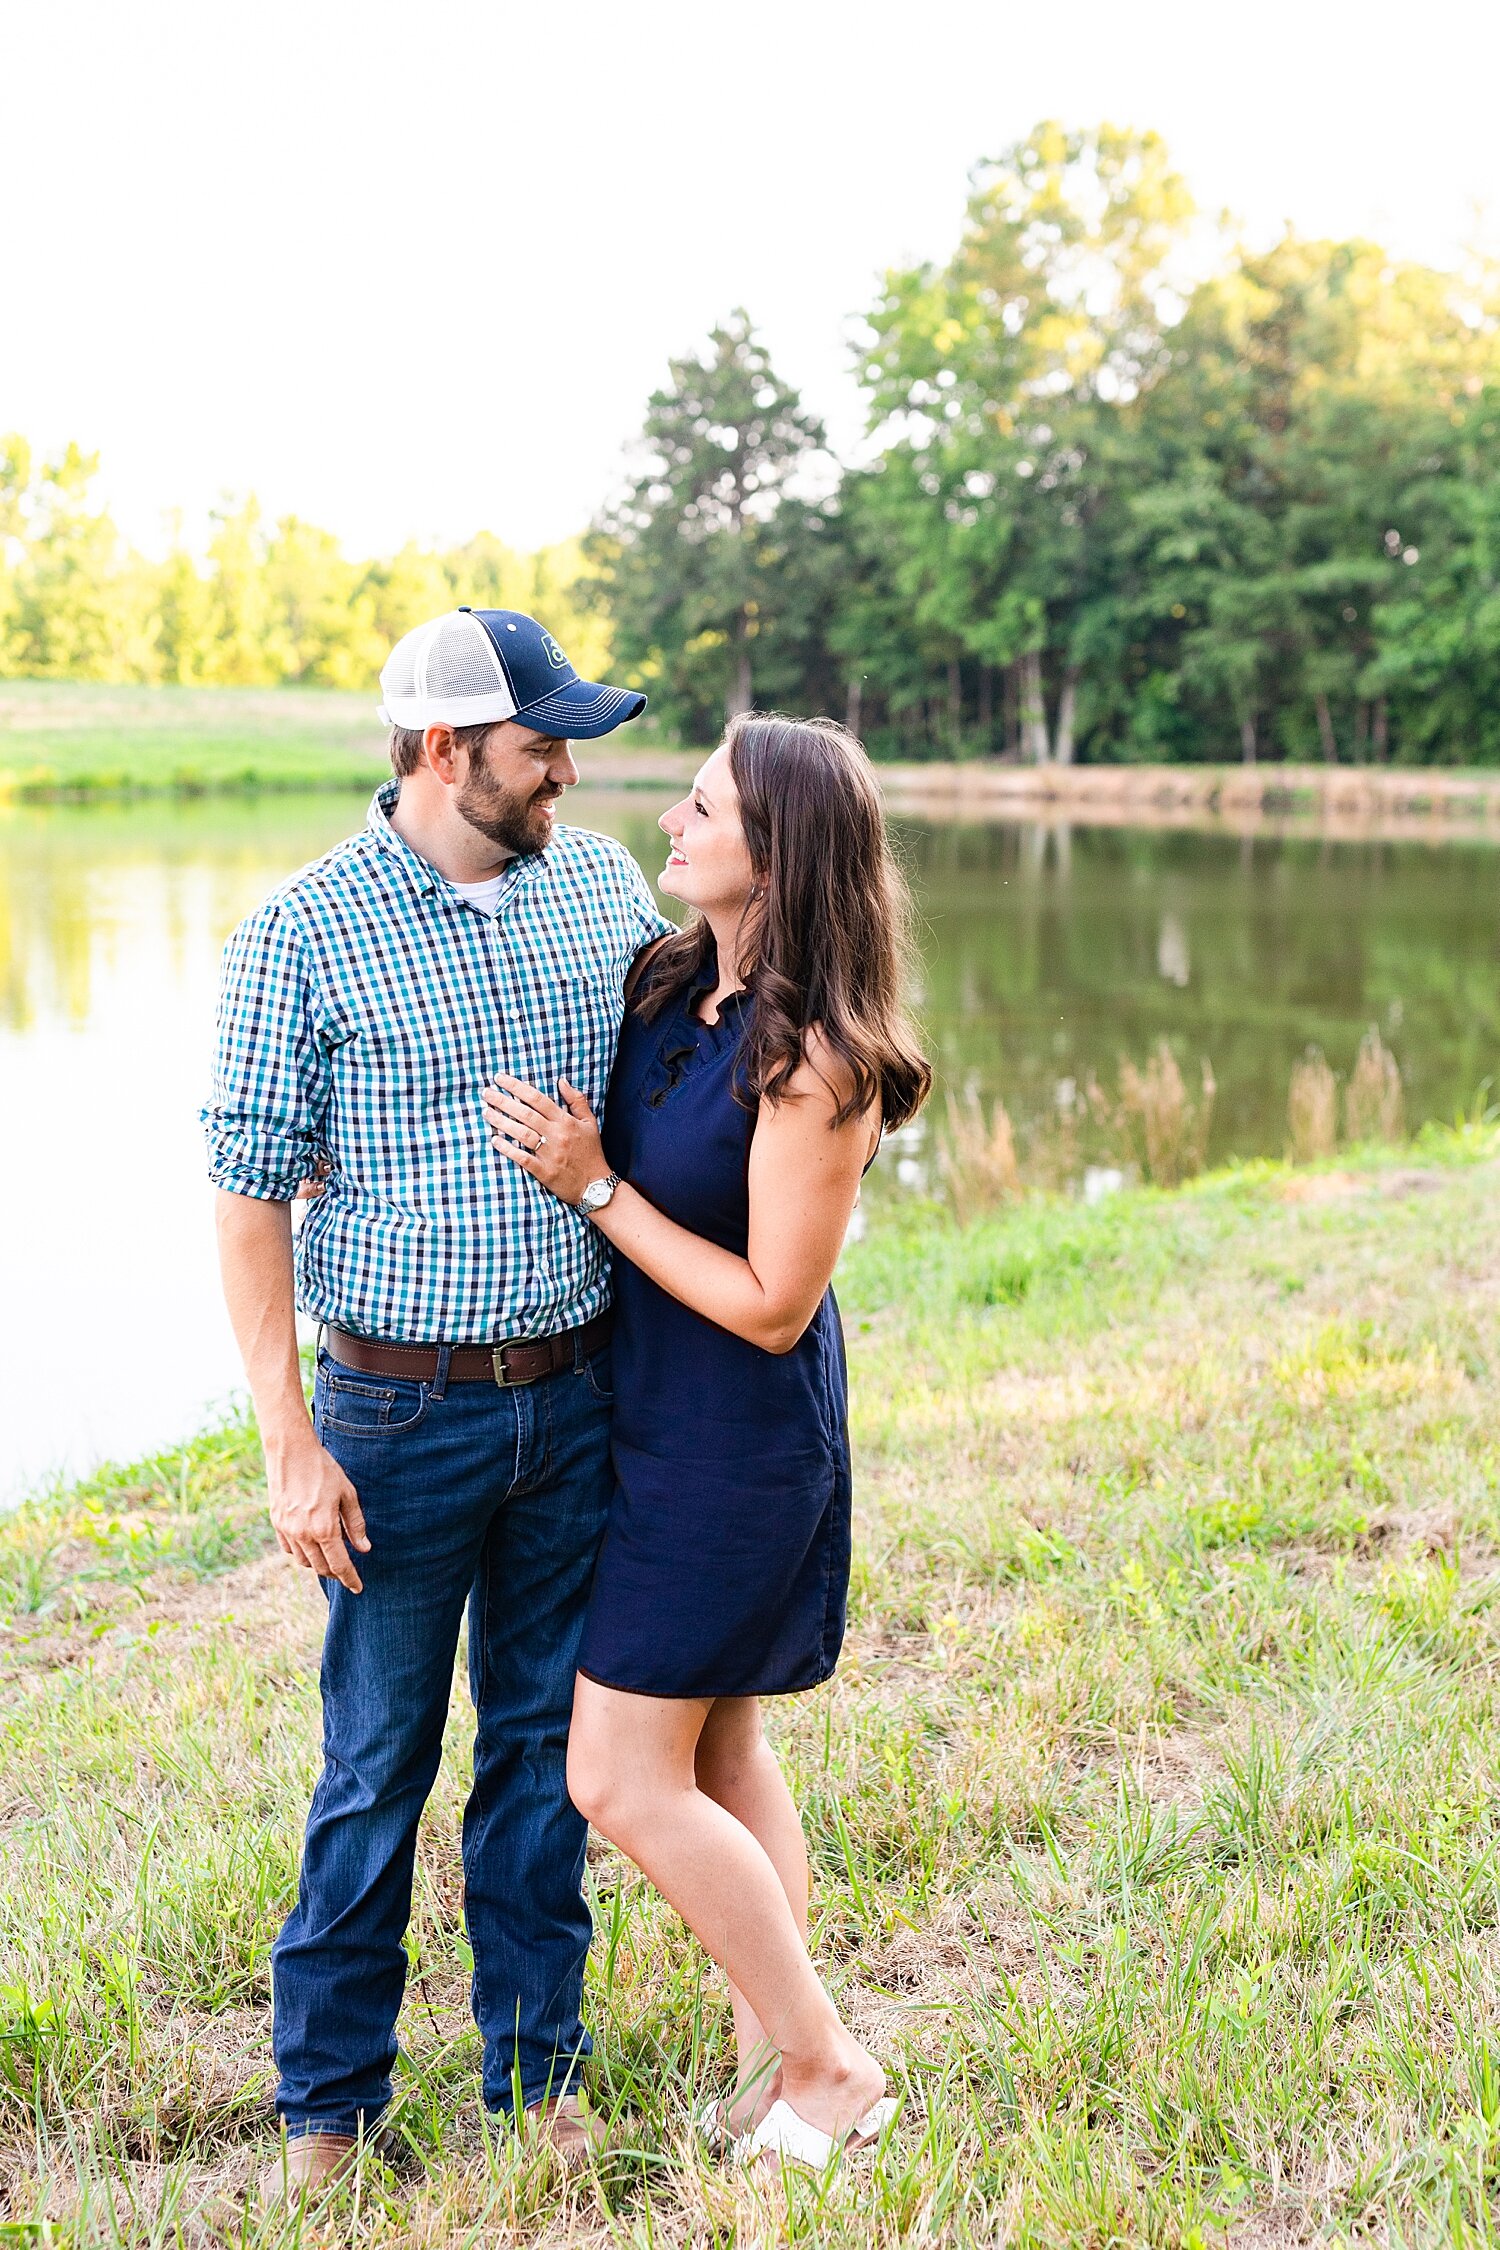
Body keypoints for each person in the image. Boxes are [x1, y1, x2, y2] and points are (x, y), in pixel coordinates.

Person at [204, 608, 667, 2204]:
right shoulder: (302, 929)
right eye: (540, 744)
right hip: (396, 1419)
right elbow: (252, 1191)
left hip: (580, 1395)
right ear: (444, 747)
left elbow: (690, 1067)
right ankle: (329, 2107)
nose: (566, 769)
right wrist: (289, 1440)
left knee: (542, 1753)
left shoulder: (600, 886)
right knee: (377, 1760)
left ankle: (538, 2073)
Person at [480, 710, 932, 2168]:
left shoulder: (821, 1065)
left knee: (614, 1774)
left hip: (738, 1448)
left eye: (700, 809)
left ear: (776, 851)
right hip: (641, 1418)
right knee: (724, 1754)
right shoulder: (676, 982)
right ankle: (773, 2080)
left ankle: (830, 2063)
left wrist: (597, 1190)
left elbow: (773, 1304)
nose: (669, 825)